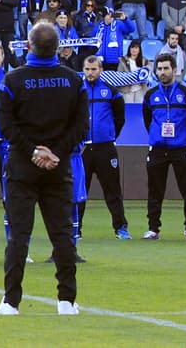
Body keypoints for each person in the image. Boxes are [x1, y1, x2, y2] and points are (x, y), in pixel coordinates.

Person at [0, 21, 88, 316]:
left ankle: (11, 301)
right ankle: (66, 301)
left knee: (19, 236)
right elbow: (81, 126)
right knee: (62, 234)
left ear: (29, 46)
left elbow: (6, 125)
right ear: (58, 48)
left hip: (22, 166)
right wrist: (55, 152)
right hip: (58, 168)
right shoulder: (74, 80)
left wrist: (33, 150)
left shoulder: (13, 80)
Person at [142, 53, 186, 241]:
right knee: (154, 191)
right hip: (158, 149)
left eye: (166, 68)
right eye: (159, 69)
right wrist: (158, 137)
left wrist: (184, 138)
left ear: (175, 70)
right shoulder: (150, 95)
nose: (162, 72)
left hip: (181, 148)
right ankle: (153, 229)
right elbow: (147, 120)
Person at [80, 56, 132, 240]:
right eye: (87, 69)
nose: (90, 73)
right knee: (79, 191)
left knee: (113, 191)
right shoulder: (78, 92)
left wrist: (108, 136)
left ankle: (121, 228)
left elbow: (120, 120)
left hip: (105, 148)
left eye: (93, 69)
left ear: (101, 70)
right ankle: (75, 230)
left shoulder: (111, 92)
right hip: (83, 149)